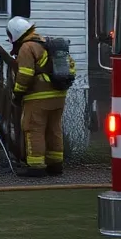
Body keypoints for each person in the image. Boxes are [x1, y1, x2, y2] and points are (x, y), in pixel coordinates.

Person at [7, 15, 73, 178]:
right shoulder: (46, 43)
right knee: (54, 129)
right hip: (59, 94)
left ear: (15, 34)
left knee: (33, 129)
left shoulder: (27, 47)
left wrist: (17, 93)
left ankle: (36, 167)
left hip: (38, 96)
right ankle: (55, 164)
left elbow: (25, 74)